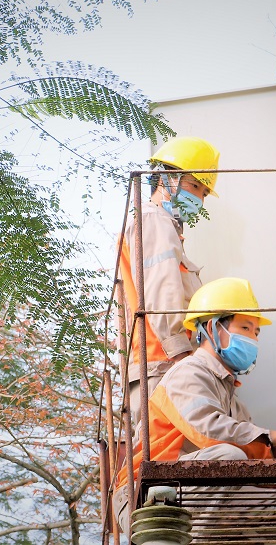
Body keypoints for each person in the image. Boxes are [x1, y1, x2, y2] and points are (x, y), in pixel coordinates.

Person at [113, 277, 276, 534]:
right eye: (245, 328)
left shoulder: (234, 404)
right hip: (143, 492)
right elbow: (210, 433)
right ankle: (195, 539)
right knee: (230, 457)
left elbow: (252, 464)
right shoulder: (188, 373)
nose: (253, 340)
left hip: (187, 489)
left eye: (256, 332)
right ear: (213, 327)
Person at [119, 136, 220, 427]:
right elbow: (162, 292)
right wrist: (184, 358)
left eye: (204, 192)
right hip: (164, 364)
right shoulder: (154, 221)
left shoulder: (161, 225)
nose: (199, 198)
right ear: (167, 178)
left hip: (157, 364)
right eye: (194, 186)